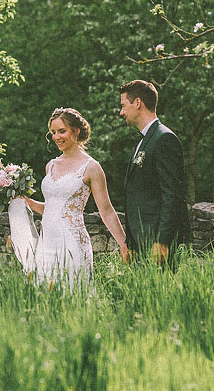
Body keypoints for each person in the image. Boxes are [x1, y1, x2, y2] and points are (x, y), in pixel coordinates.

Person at [17, 107, 130, 286]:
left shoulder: (91, 167)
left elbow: (106, 210)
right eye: (53, 132)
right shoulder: (51, 165)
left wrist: (124, 243)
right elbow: (52, 208)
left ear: (76, 131)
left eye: (62, 131)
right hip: (45, 245)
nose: (56, 137)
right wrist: (26, 201)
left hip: (72, 243)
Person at [117, 79, 190, 267]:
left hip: (156, 242)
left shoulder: (164, 139)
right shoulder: (143, 140)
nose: (121, 112)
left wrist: (163, 241)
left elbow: (172, 194)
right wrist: (131, 243)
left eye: (124, 105)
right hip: (141, 242)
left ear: (138, 103)